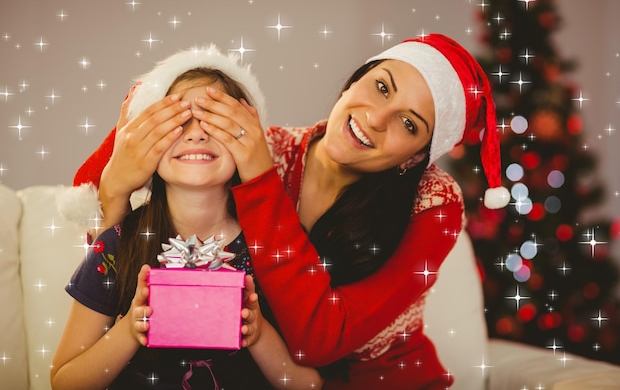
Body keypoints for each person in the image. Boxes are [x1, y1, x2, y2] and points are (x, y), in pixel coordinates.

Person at [63, 34, 511, 389]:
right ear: (355, 79)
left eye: (409, 123)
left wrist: (259, 178)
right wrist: (117, 182)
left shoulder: (434, 202)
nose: (376, 118)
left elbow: (318, 342)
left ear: (418, 156)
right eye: (380, 87)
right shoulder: (268, 148)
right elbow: (117, 271)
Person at [51, 47, 324, 390]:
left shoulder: (270, 249)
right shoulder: (116, 247)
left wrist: (258, 334)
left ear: (248, 140)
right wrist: (130, 330)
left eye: (214, 119)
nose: (196, 133)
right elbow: (64, 381)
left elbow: (307, 385)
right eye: (178, 122)